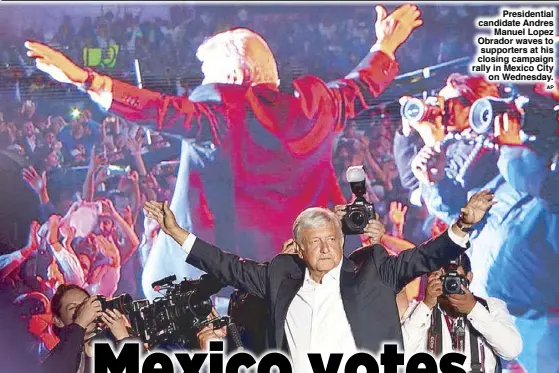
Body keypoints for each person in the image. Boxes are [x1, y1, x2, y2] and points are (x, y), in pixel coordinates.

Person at [26, 6, 422, 282]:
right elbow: (358, 87)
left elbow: (159, 110)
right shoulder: (316, 108)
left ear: (233, 74)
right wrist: (385, 46)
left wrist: (88, 80)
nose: (201, 82)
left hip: (211, 284)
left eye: (206, 73)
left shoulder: (218, 114)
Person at [143, 190, 495, 373]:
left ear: (341, 241)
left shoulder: (374, 270)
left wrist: (461, 226)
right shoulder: (280, 276)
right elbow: (227, 265)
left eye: (332, 239)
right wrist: (176, 232)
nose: (326, 248)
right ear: (300, 248)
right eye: (316, 241)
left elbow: (423, 257)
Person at [407, 73, 559, 373]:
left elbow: (550, 193)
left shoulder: (520, 156)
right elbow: (466, 224)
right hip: (505, 317)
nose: (445, 115)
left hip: (543, 317)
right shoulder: (504, 161)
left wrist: (514, 153)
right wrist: (434, 182)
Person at [401, 254, 522, 373]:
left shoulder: (491, 307)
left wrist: (473, 309)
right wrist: (426, 306)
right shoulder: (417, 311)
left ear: (468, 277)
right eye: (441, 277)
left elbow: (511, 350)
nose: (448, 283)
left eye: (454, 277)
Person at [39, 284, 131, 373]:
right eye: (73, 307)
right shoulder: (58, 357)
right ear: (58, 321)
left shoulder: (111, 339)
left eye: (86, 304)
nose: (84, 310)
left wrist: (124, 338)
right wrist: (81, 322)